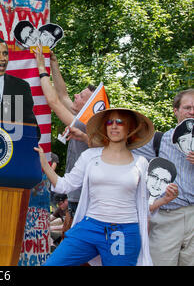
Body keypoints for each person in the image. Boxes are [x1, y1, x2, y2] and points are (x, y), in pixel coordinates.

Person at [35, 108, 155, 266]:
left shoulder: (141, 162)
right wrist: (45, 163)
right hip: (90, 226)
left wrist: (164, 200)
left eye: (120, 122)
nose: (114, 126)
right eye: (109, 122)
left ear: (131, 127)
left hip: (124, 231)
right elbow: (65, 185)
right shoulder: (90, 156)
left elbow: (144, 204)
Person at [33, 45, 95, 232]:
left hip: (86, 198)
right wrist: (54, 64)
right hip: (76, 195)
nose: (76, 95)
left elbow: (54, 102)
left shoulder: (87, 123)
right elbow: (62, 95)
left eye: (81, 96)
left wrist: (41, 68)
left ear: (90, 104)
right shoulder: (82, 119)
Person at [133, 88, 194, 266]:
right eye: (187, 107)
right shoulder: (158, 140)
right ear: (176, 111)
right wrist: (84, 134)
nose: (192, 112)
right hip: (166, 217)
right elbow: (118, 146)